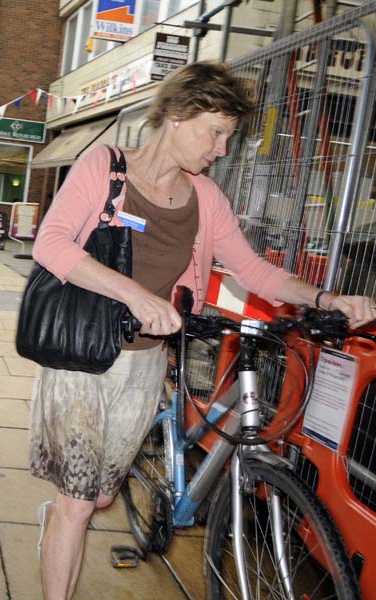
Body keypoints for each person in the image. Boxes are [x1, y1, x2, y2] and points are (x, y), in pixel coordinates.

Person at [28, 62, 376, 600]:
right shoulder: (106, 168)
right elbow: (50, 244)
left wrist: (326, 298)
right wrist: (137, 294)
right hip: (83, 355)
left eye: (228, 137)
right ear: (175, 115)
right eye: (215, 133)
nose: (221, 148)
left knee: (95, 498)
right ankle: (62, 541)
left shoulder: (206, 198)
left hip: (145, 363)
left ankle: (59, 523)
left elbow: (254, 269)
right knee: (79, 503)